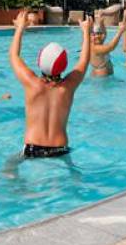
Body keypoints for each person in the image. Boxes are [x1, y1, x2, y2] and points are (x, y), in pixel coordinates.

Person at [8, 10, 91, 158]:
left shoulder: (32, 83)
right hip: (60, 149)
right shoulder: (68, 87)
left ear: (39, 62)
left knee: (10, 164)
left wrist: (20, 28)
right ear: (64, 65)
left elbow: (14, 55)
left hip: (33, 148)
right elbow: (84, 60)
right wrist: (86, 32)